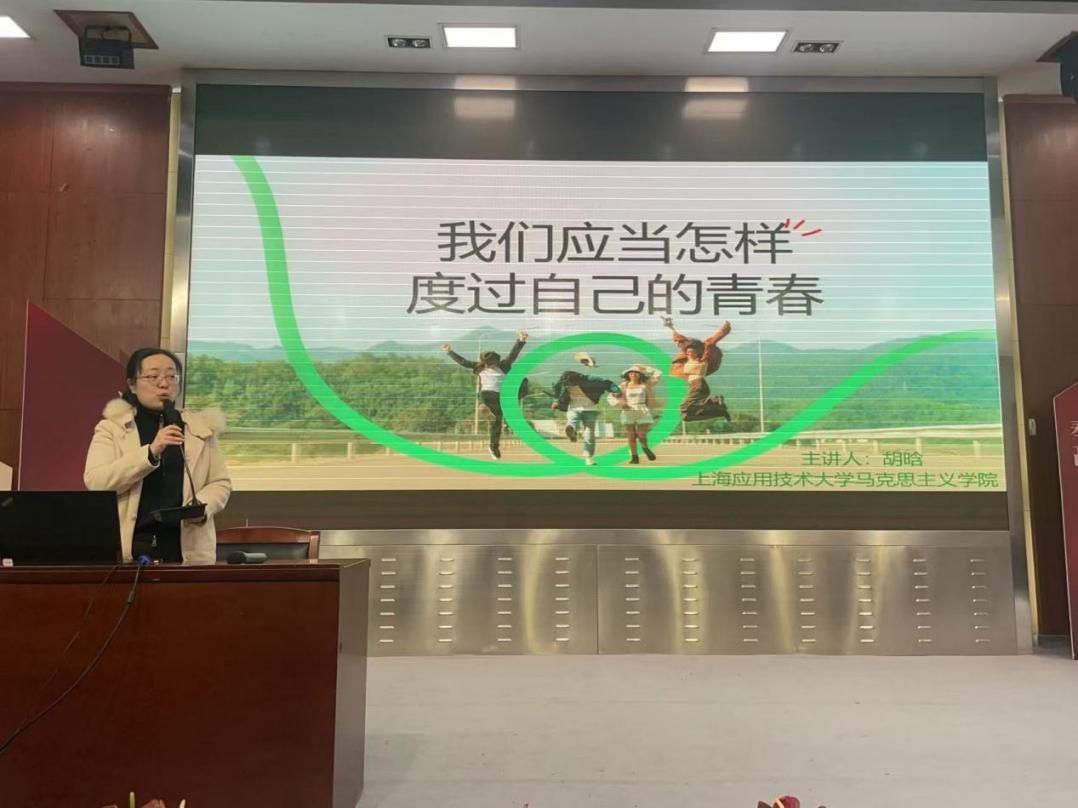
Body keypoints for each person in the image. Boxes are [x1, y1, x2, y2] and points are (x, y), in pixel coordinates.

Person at [83, 348, 231, 565]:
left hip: (186, 550)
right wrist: (151, 452)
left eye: (172, 376)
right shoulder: (113, 428)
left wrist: (201, 507)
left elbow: (220, 483)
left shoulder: (200, 429)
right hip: (132, 548)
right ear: (132, 384)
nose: (164, 384)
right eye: (153, 377)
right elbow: (97, 482)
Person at [441, 331, 528, 460]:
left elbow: (513, 354)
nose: (490, 366)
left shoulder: (504, 365)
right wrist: (449, 352)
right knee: (487, 403)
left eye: (492, 364)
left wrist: (521, 340)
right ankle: (485, 408)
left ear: (497, 361)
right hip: (486, 394)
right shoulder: (479, 366)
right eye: (487, 364)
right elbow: (463, 362)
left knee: (497, 424)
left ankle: (493, 447)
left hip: (500, 397)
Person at [662, 316, 733, 422]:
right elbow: (680, 341)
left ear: (697, 353)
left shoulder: (702, 360)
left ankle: (713, 400)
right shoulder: (688, 361)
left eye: (692, 352)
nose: (689, 353)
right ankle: (718, 411)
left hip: (698, 385)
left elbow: (710, 344)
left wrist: (723, 331)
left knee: (684, 408)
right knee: (686, 416)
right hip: (696, 386)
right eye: (688, 352)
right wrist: (671, 327)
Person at [551, 370, 622, 466]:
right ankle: (572, 432)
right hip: (573, 408)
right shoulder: (562, 382)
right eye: (567, 384)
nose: (569, 385)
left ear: (577, 380)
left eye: (571, 383)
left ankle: (588, 457)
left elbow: (607, 383)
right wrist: (556, 401)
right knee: (572, 421)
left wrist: (616, 391)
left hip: (590, 408)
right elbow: (557, 389)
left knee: (589, 433)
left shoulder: (590, 379)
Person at [617, 364, 662, 464]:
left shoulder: (645, 384)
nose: (634, 374)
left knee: (642, 435)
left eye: (637, 372)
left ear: (640, 375)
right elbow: (613, 395)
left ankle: (645, 448)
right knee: (631, 436)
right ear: (628, 375)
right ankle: (634, 457)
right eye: (631, 372)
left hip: (642, 410)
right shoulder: (623, 385)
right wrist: (621, 404)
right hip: (628, 411)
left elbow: (658, 374)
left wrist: (645, 368)